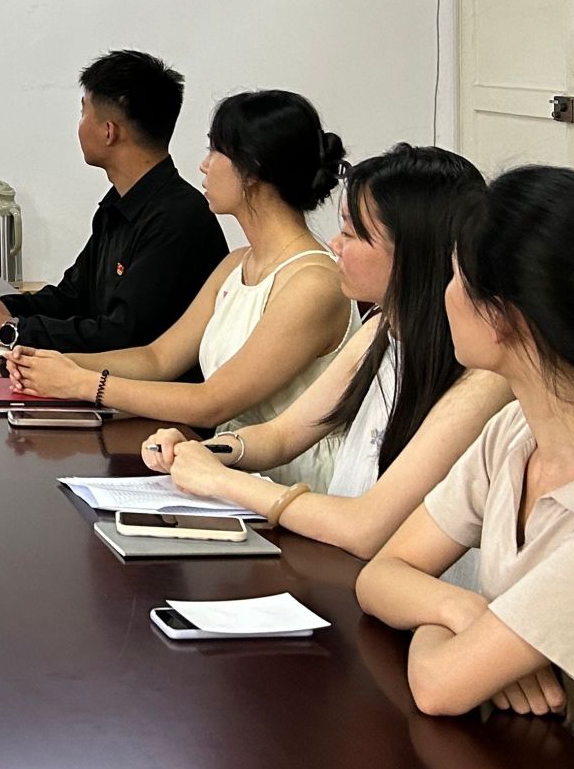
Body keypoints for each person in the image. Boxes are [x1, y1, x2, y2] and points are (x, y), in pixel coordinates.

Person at [357, 167, 574, 768]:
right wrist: (463, 611)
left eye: (456, 277)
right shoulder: (514, 433)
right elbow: (380, 575)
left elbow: (440, 685)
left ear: (503, 317)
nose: (445, 294)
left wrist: (461, 636)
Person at [140, 144, 510, 559]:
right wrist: (201, 453)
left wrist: (222, 480)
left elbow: (364, 526)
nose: (334, 244)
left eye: (351, 234)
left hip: (395, 581)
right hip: (346, 566)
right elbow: (282, 435)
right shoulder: (382, 328)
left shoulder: (483, 378)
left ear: (411, 253)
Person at [7, 89, 361, 489]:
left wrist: (81, 383)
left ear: (252, 170)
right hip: (227, 467)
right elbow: (158, 358)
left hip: (294, 483)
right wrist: (50, 364)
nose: (204, 165)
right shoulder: (236, 264)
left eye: (215, 151)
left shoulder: (312, 282)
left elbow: (212, 402)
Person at [0, 50, 225, 351]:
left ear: (109, 131)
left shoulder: (177, 219)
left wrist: (10, 331)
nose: (80, 124)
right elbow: (72, 298)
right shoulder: (117, 206)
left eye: (84, 112)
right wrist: (3, 308)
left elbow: (122, 336)